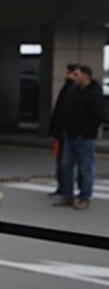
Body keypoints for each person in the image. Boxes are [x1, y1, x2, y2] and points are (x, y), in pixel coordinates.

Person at [55, 64, 103, 211]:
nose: (74, 78)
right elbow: (63, 109)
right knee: (66, 166)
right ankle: (68, 195)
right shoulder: (72, 91)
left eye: (77, 75)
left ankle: (85, 197)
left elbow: (98, 116)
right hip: (70, 135)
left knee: (86, 168)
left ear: (86, 76)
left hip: (86, 138)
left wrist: (86, 132)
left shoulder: (94, 93)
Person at [48, 63, 80, 196]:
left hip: (70, 133)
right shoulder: (67, 88)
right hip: (62, 132)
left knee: (71, 163)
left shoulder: (74, 89)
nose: (68, 75)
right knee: (62, 162)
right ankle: (63, 187)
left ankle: (70, 189)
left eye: (71, 73)